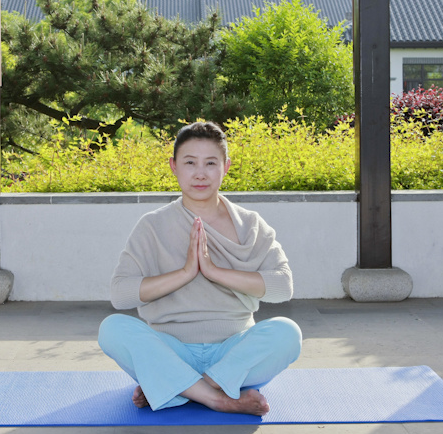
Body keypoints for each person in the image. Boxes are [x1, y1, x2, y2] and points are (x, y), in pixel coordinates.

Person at [98, 121, 301, 416]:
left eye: (211, 163)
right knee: (112, 329)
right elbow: (120, 295)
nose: (200, 173)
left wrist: (214, 271)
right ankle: (218, 398)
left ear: (226, 167)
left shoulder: (250, 224)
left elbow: (283, 287)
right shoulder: (152, 225)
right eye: (190, 163)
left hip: (233, 352)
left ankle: (178, 385)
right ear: (174, 166)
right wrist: (185, 273)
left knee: (287, 333)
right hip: (171, 349)